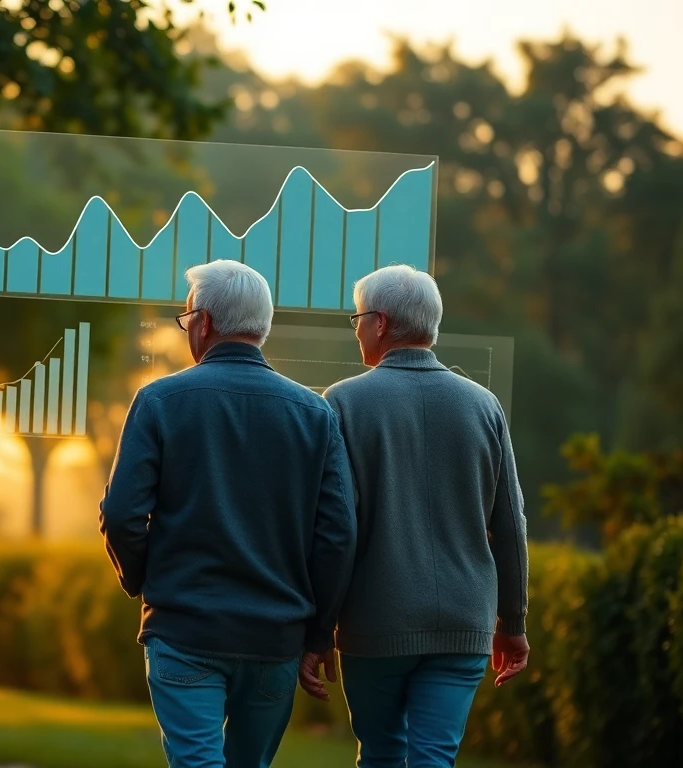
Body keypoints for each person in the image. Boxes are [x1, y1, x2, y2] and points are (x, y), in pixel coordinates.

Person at [100, 259, 357, 768]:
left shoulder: (158, 401)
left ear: (205, 323)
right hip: (275, 638)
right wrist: (317, 632)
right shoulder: (314, 413)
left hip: (184, 629)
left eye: (187, 316)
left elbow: (123, 513)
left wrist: (146, 581)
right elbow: (337, 535)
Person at [311, 264, 531, 768]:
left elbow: (334, 528)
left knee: (382, 754)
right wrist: (512, 622)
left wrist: (320, 628)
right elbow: (510, 525)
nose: (357, 329)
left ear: (381, 322)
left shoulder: (344, 403)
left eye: (358, 318)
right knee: (434, 758)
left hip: (375, 621)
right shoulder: (485, 406)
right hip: (464, 622)